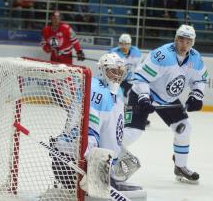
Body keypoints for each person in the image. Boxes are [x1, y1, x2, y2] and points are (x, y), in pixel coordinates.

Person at [42, 53, 142, 199]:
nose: (117, 76)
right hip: (73, 164)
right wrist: (94, 170)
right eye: (113, 71)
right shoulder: (95, 90)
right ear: (102, 70)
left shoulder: (117, 92)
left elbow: (111, 131)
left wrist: (115, 155)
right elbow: (89, 134)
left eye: (121, 72)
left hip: (91, 162)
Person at [123, 24, 208, 183]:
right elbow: (141, 78)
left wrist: (197, 95)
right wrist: (144, 97)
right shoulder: (162, 55)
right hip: (142, 94)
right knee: (132, 133)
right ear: (176, 39)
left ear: (193, 43)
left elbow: (200, 79)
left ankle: (180, 166)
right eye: (181, 40)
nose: (184, 45)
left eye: (188, 42)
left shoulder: (195, 58)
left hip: (168, 99)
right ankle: (104, 157)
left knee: (184, 129)